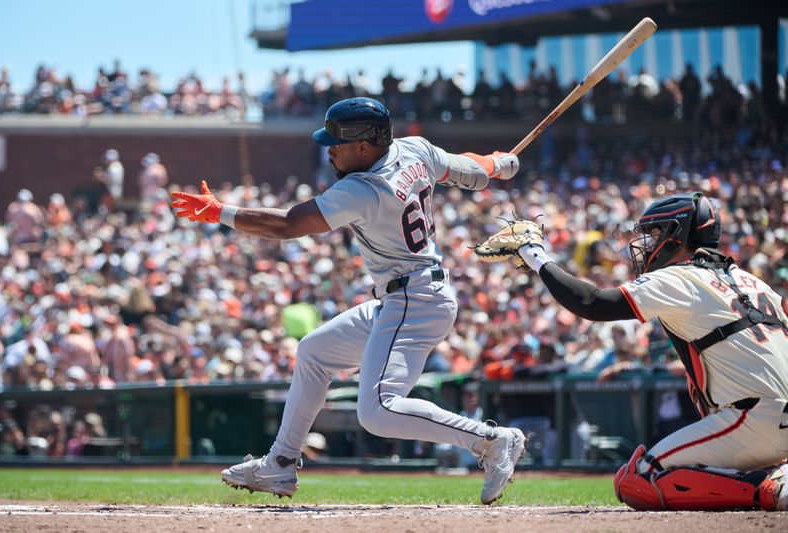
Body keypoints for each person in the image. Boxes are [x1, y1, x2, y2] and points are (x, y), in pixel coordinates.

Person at [171, 96, 525, 504]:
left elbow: (288, 224)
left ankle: (491, 441)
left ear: (364, 145)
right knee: (314, 351)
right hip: (407, 295)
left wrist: (221, 212)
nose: (329, 149)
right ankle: (280, 464)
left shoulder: (364, 189)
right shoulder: (416, 148)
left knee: (377, 410)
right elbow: (470, 171)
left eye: (337, 142)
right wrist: (499, 164)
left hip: (414, 299)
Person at [511, 191, 788, 511]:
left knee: (639, 478)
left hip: (752, 417)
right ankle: (777, 474)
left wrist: (535, 255)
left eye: (655, 232)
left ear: (677, 234)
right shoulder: (754, 282)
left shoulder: (681, 277)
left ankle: (767, 489)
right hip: (773, 418)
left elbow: (591, 303)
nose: (648, 243)